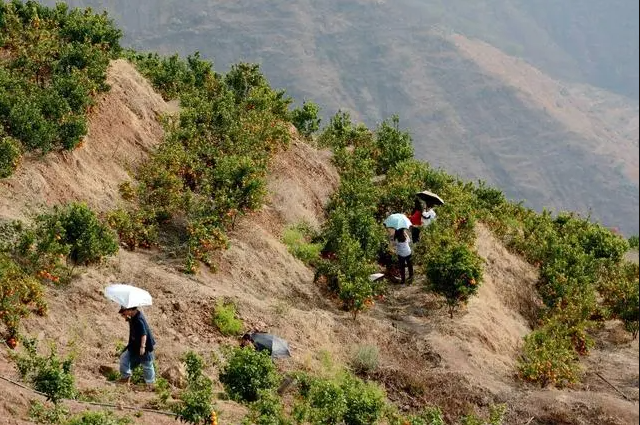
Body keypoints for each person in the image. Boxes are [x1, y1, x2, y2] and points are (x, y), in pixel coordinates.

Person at [118, 306, 156, 388]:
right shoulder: (133, 316)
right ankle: (125, 378)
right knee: (124, 357)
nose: (123, 315)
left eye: (124, 313)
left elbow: (144, 334)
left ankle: (150, 385)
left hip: (144, 346)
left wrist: (142, 347)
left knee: (147, 365)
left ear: (130, 310)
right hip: (134, 345)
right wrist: (128, 318)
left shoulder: (139, 319)